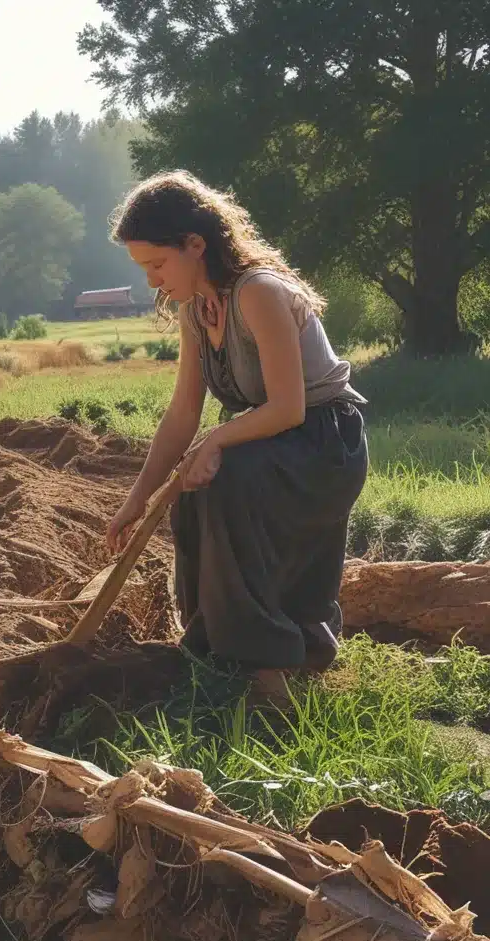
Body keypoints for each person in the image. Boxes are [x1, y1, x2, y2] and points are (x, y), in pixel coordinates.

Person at [105, 171, 368, 704]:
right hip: (269, 441)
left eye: (157, 264)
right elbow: (183, 414)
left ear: (195, 244)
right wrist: (137, 500)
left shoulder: (260, 292)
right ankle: (216, 647)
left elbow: (290, 408)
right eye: (143, 269)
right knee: (191, 487)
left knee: (227, 479)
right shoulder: (196, 311)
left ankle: (266, 666)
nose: (152, 281)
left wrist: (216, 442)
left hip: (324, 444)